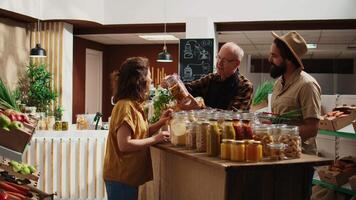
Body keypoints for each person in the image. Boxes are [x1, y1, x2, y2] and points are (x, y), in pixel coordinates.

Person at [103, 57, 172, 200]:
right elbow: (125, 144)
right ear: (139, 81)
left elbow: (140, 133)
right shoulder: (125, 106)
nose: (151, 81)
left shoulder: (133, 105)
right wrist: (155, 139)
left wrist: (160, 122)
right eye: (149, 77)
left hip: (127, 177)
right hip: (121, 177)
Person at [268, 31, 321, 154]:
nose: (270, 59)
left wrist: (278, 132)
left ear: (289, 60)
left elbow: (312, 129)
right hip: (279, 152)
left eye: (274, 56)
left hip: (299, 157)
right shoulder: (278, 83)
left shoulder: (307, 85)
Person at [182, 42, 253, 110]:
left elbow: (232, 116)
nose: (219, 63)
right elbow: (188, 88)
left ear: (236, 64)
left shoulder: (244, 86)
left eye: (225, 61)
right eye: (218, 57)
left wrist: (199, 108)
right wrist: (175, 82)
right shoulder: (210, 79)